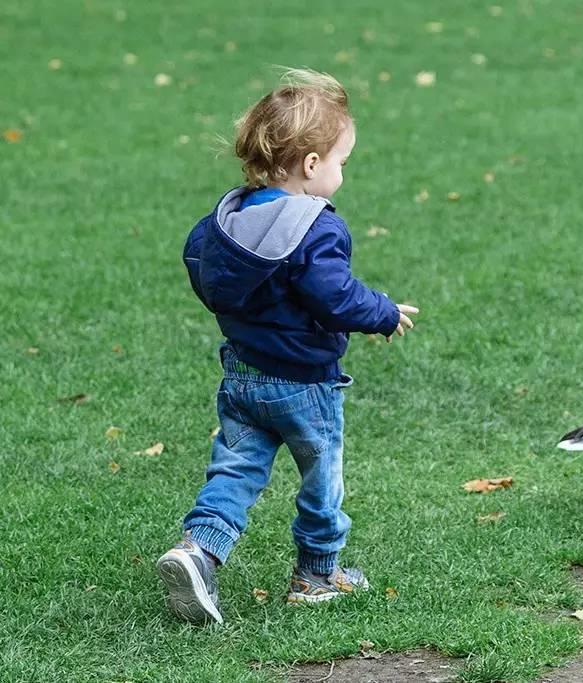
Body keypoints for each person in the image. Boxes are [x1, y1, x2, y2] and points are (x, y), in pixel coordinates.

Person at [156, 68, 417, 624]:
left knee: (235, 469)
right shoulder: (314, 225)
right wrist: (384, 312)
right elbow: (334, 296)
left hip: (244, 376)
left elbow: (203, 270)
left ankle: (198, 551)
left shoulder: (226, 221)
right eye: (342, 162)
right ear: (312, 164)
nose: (343, 174)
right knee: (322, 479)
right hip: (304, 385)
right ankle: (318, 573)